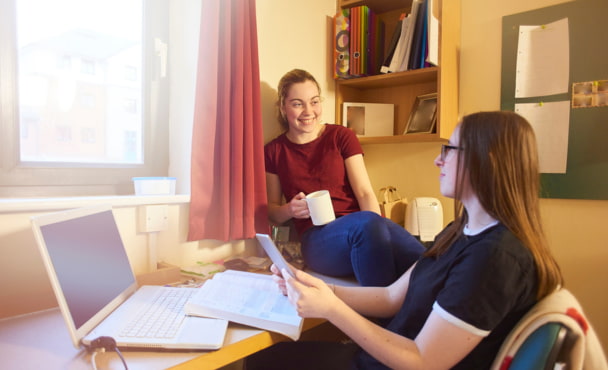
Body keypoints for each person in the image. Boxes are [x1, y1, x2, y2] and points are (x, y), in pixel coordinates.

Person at [247, 111, 564, 369]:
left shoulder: (495, 258)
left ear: (487, 160)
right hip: (383, 357)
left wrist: (330, 309)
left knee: (265, 362)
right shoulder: (460, 230)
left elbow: (423, 360)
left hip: (399, 362)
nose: (438, 161)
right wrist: (321, 290)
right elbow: (390, 297)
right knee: (266, 360)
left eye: (449, 150)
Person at [264, 69, 424, 287]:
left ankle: (448, 313)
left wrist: (379, 228)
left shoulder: (341, 136)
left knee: (427, 261)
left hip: (361, 226)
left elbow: (365, 192)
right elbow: (272, 212)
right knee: (368, 227)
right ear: (283, 108)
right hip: (318, 240)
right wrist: (290, 210)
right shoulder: (274, 151)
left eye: (314, 102)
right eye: (297, 103)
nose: (308, 111)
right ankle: (381, 316)